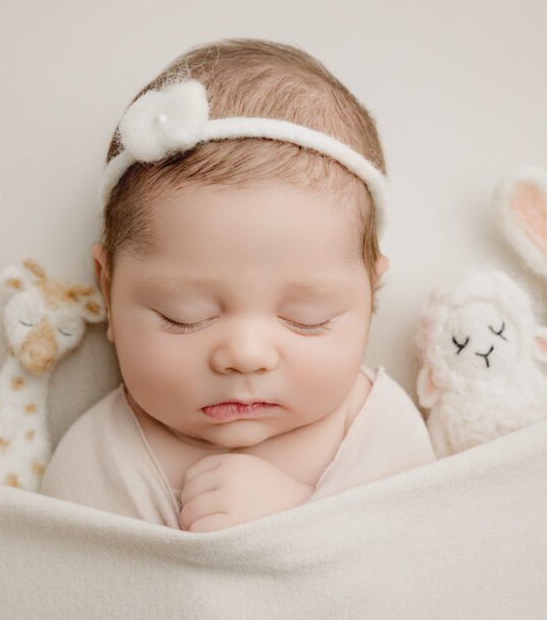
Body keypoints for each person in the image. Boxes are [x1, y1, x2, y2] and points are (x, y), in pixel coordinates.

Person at [40, 39, 435, 532]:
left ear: (371, 295)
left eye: (306, 319)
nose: (246, 355)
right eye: (183, 315)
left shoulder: (379, 430)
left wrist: (297, 519)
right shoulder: (98, 461)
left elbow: (417, 570)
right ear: (108, 291)